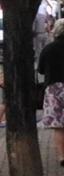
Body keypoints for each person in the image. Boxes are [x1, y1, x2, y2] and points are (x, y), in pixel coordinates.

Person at [38, 18, 64, 167]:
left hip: (54, 90)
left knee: (59, 126)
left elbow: (41, 69)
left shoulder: (48, 49)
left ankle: (62, 157)